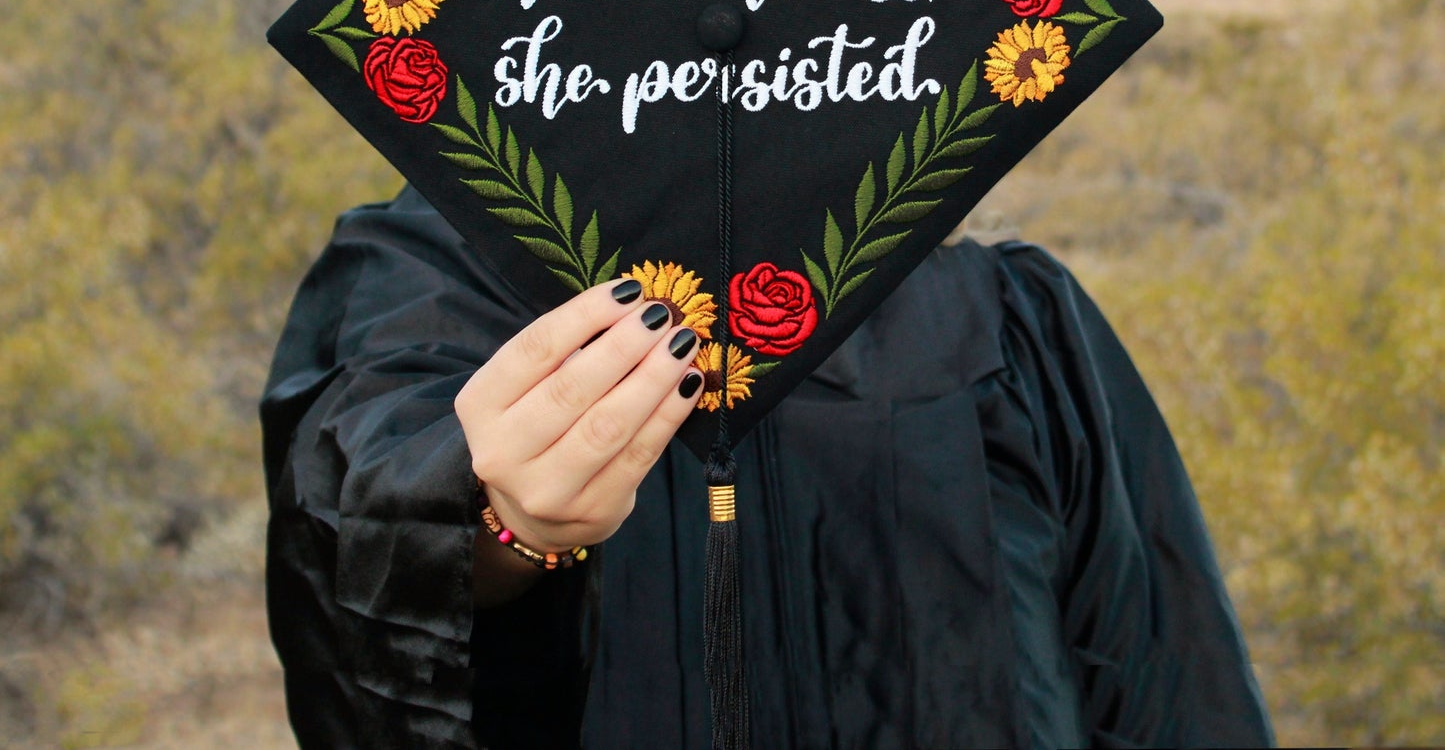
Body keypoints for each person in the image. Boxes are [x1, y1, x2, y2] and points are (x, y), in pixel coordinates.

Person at [262, 182, 1276, 749]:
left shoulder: (1000, 317)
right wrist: (500, 519)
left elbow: (1160, 683)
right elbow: (362, 519)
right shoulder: (435, 271)